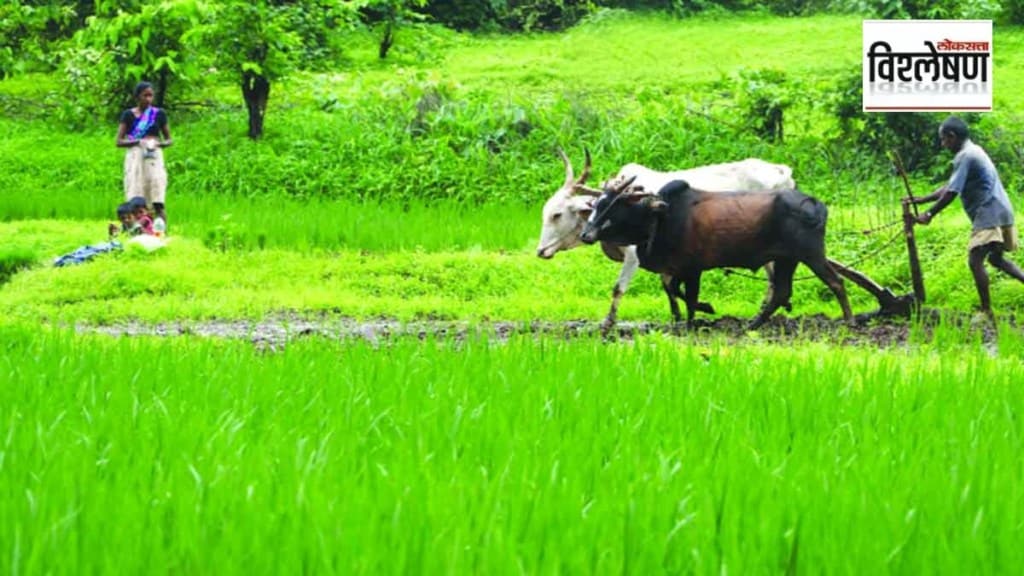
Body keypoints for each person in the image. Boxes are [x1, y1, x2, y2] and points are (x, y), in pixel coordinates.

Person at [904, 116, 1024, 317]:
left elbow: (952, 192)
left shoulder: (965, 156)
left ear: (952, 136)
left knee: (975, 260)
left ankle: (986, 311)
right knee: (996, 259)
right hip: (1002, 209)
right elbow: (951, 185)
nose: (943, 145)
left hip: (989, 212)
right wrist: (922, 199)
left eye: (944, 140)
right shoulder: (974, 151)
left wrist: (929, 213)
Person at [116, 81, 173, 227]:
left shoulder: (159, 114)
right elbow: (119, 141)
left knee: (157, 194)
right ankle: (134, 229)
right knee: (136, 192)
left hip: (154, 158)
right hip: (136, 158)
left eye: (150, 96)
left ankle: (161, 231)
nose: (148, 99)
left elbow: (169, 140)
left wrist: (158, 144)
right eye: (145, 96)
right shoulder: (128, 115)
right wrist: (138, 142)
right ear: (137, 97)